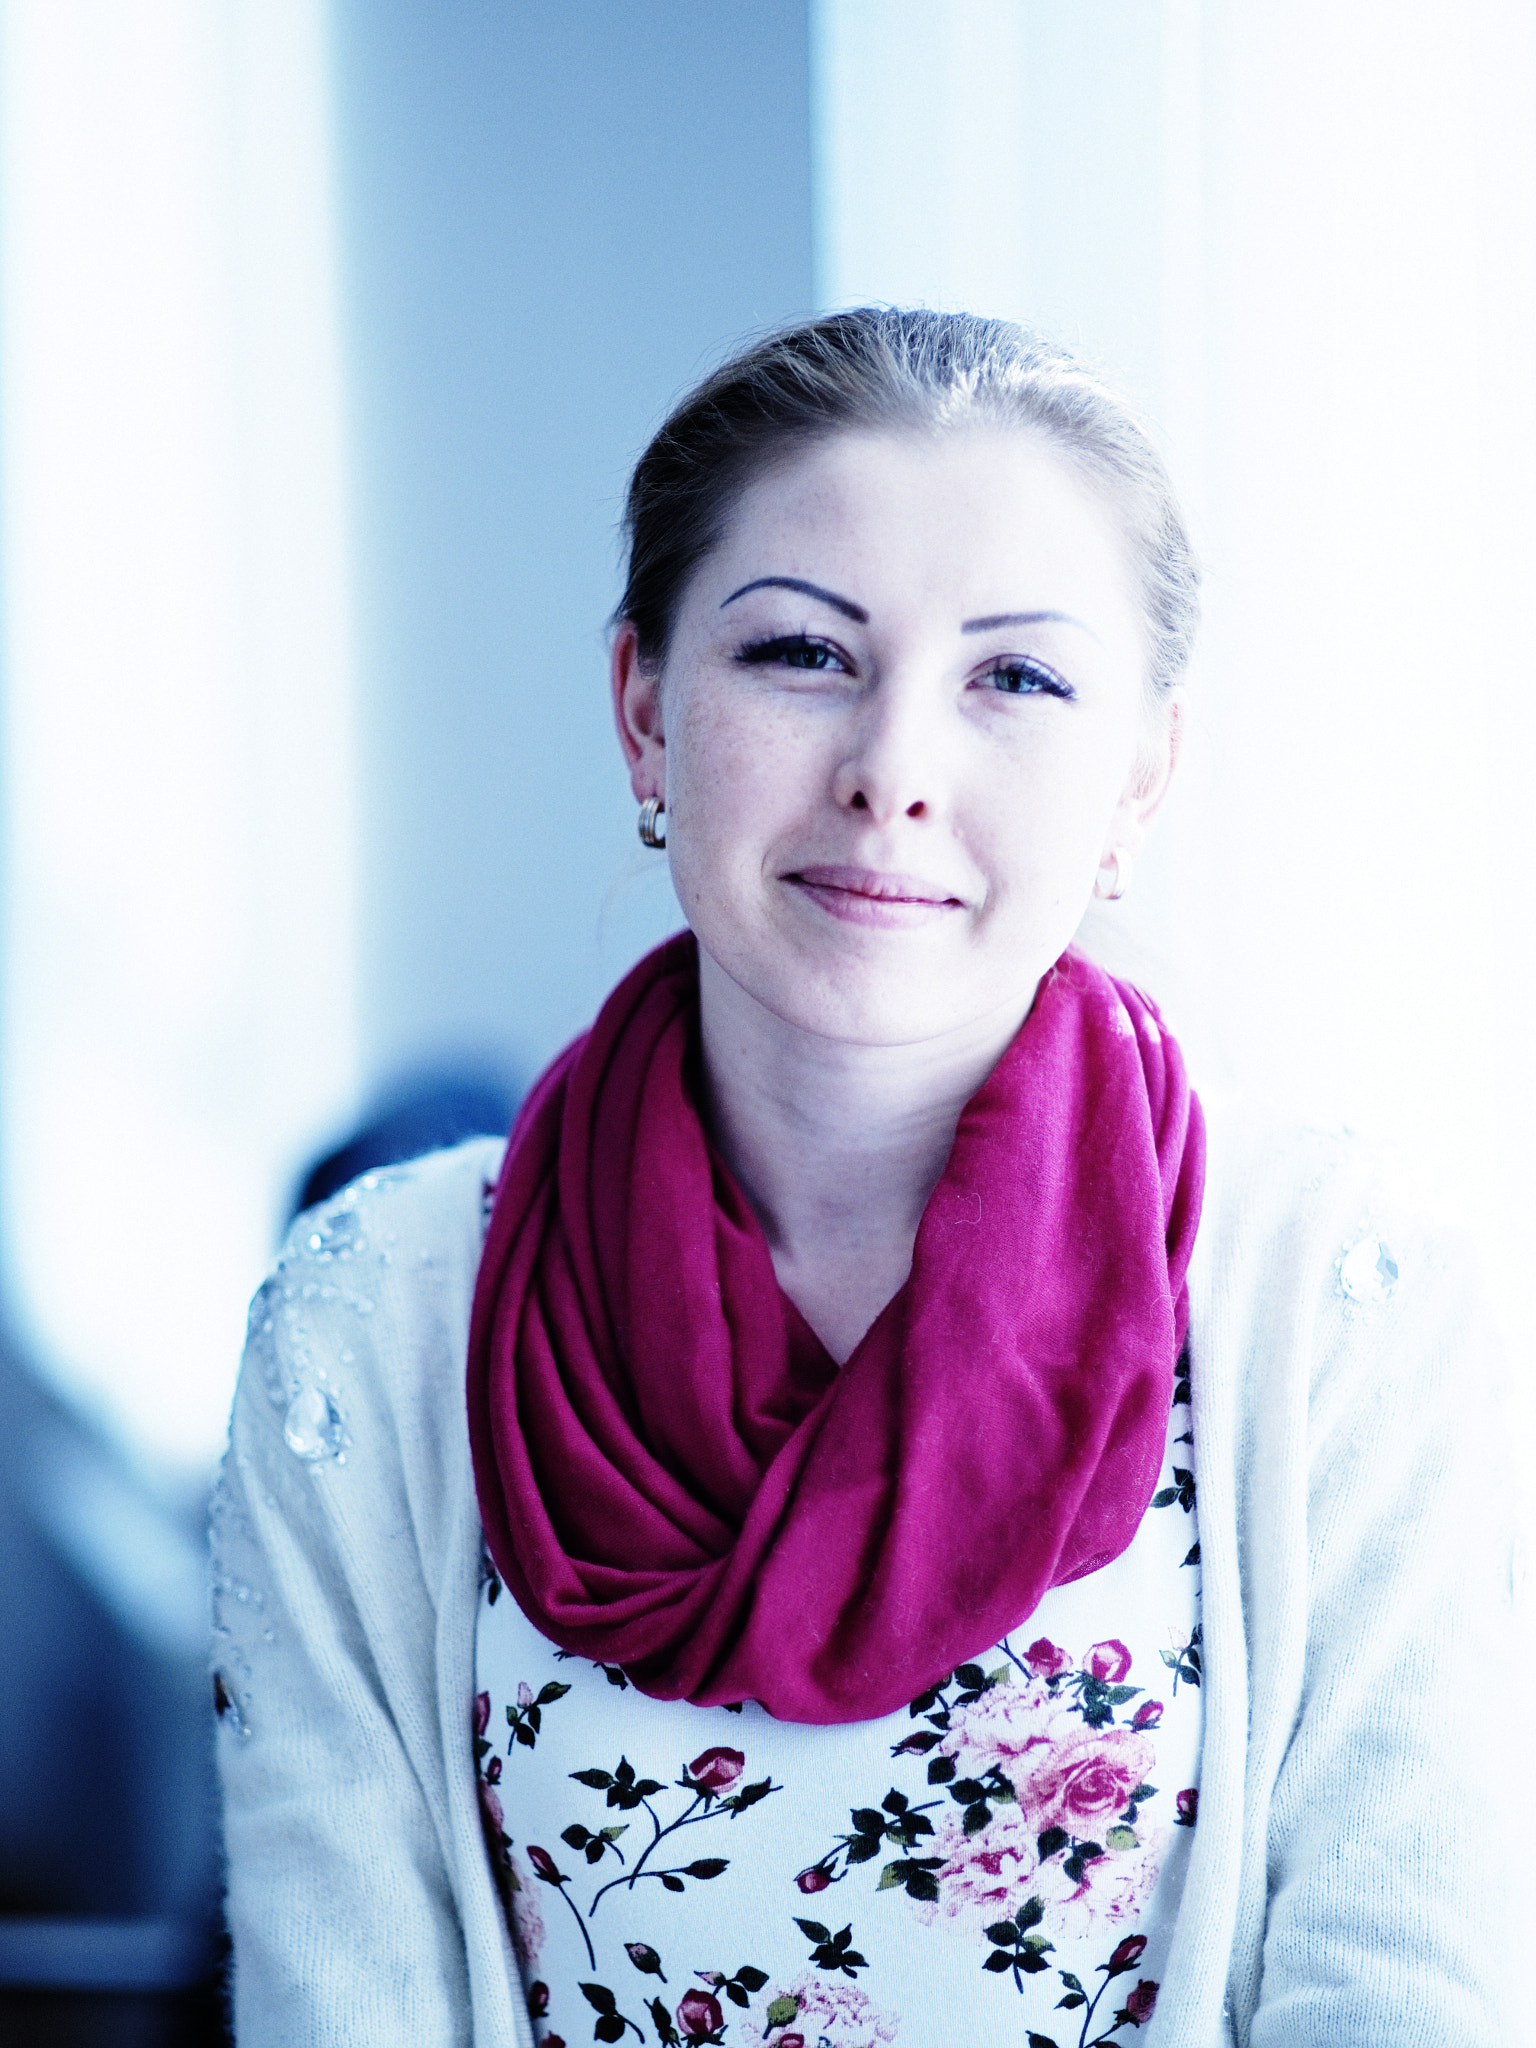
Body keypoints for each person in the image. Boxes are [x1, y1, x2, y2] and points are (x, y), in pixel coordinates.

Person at [211, 310, 1515, 2046]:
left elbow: (1409, 1996)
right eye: (802, 656)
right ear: (643, 712)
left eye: (1017, 679)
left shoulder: (1356, 1309)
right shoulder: (368, 1322)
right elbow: (339, 2001)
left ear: (1139, 780)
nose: (894, 769)